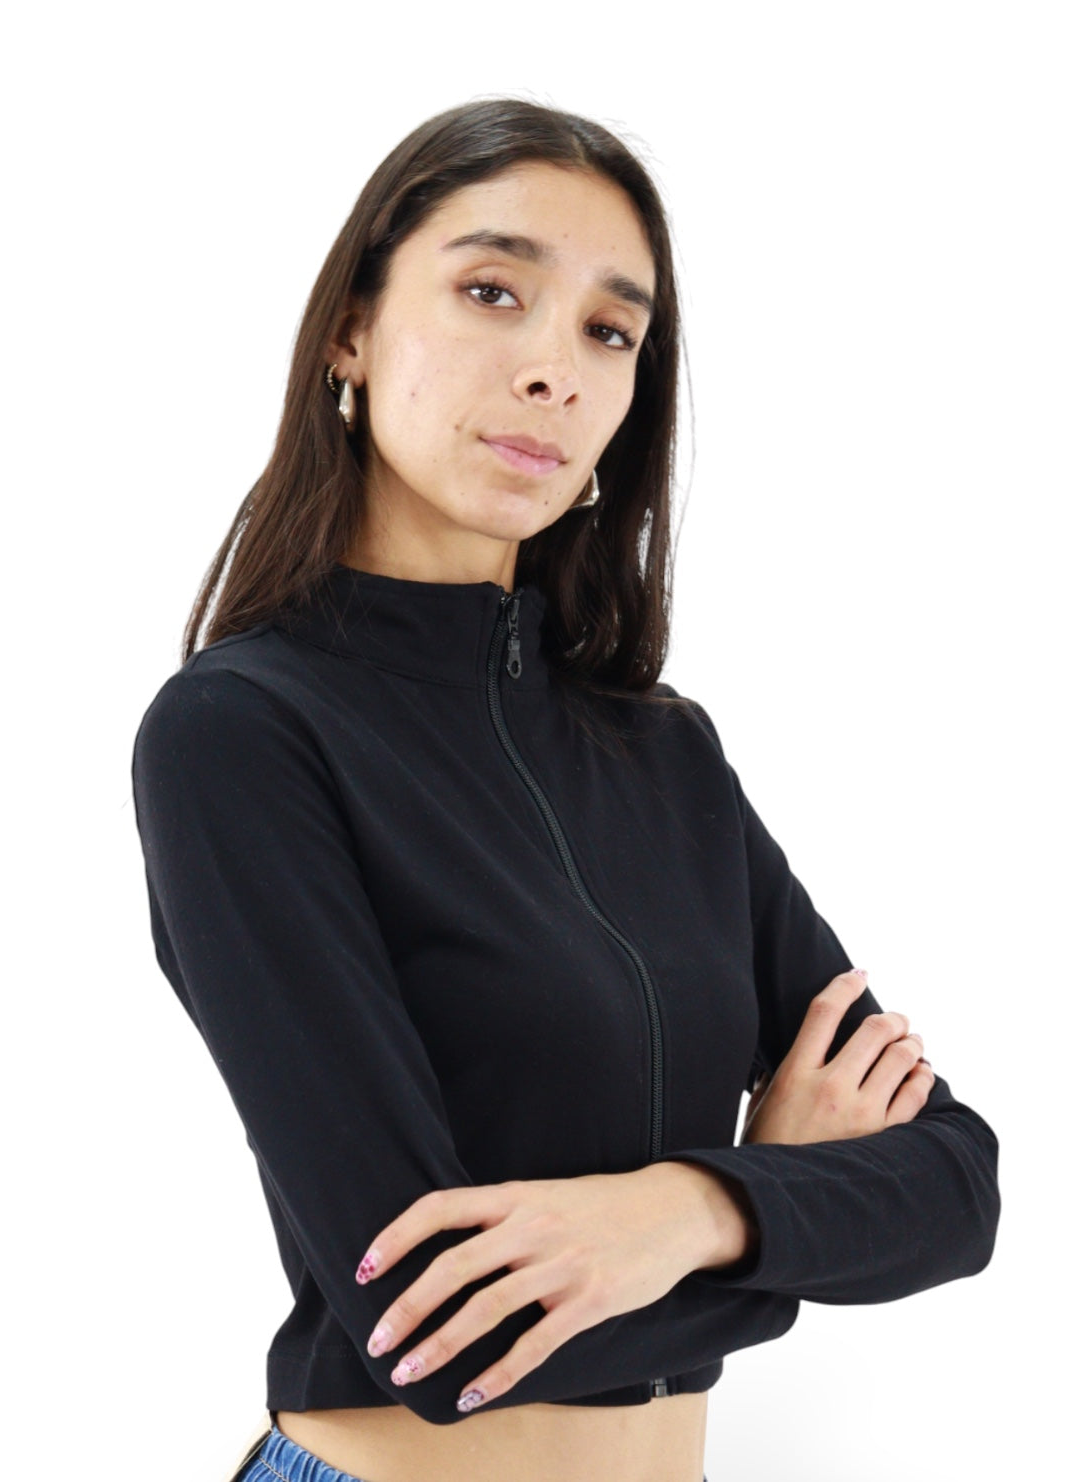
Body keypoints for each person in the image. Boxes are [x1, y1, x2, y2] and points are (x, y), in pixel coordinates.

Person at [130, 97, 1001, 1482]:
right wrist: (789, 1209)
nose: (556, 370)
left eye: (610, 330)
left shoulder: (666, 752)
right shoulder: (240, 735)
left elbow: (956, 1187)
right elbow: (434, 1331)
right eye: (493, 292)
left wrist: (685, 1210)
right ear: (352, 328)